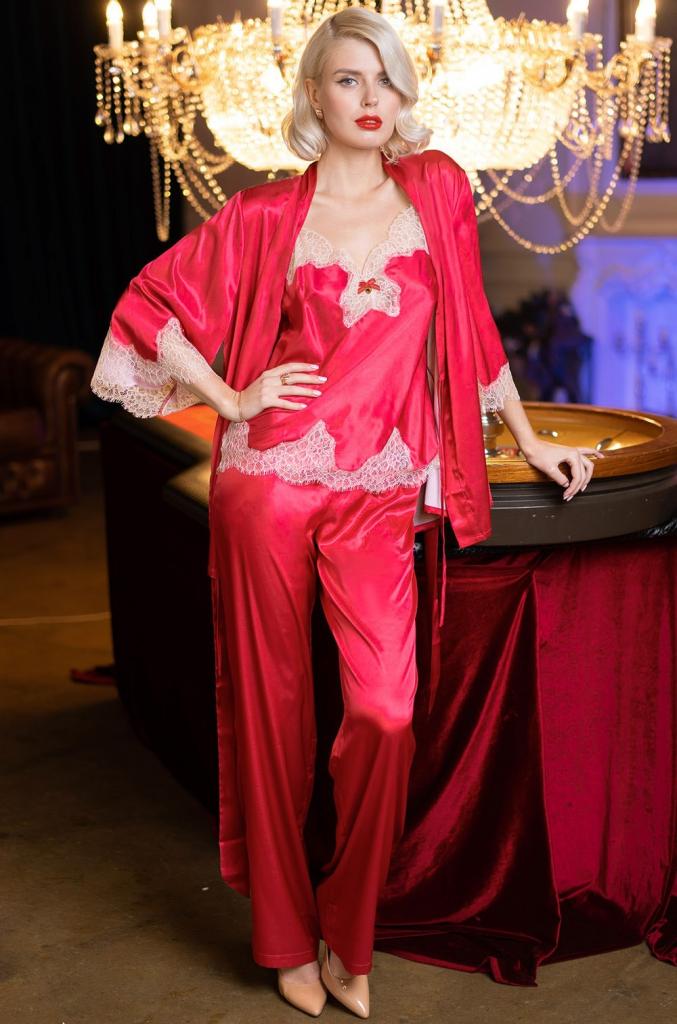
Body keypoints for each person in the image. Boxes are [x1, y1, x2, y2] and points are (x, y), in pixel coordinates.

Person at [90, 8, 604, 1018]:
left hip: (377, 492)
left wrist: (526, 438)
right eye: (346, 80)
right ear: (313, 95)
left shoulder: (437, 187)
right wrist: (232, 397)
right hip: (269, 484)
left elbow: (469, 335)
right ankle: (286, 936)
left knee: (383, 710)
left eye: (385, 79)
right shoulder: (261, 214)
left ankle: (347, 926)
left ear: (404, 92)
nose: (371, 99)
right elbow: (146, 309)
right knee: (271, 716)